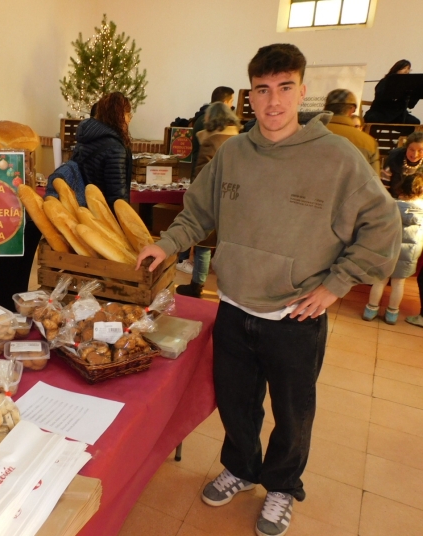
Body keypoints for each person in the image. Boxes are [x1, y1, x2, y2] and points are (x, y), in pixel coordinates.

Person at [136, 43, 401, 536]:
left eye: (284, 88)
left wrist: (336, 285)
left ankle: (282, 485)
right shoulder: (234, 153)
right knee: (237, 402)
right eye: (262, 90)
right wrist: (167, 243)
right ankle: (240, 467)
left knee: (292, 411)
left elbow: (383, 225)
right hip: (234, 307)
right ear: (249, 97)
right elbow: (198, 211)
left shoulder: (337, 158)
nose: (273, 101)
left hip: (296, 315)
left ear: (301, 91)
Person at [177, 102, 241, 298]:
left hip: (213, 203)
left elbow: (200, 177)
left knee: (204, 247)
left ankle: (196, 286)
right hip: (236, 203)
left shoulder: (211, 141)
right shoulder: (240, 140)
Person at [363, 173, 423, 324]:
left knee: (379, 281)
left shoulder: (391, 205)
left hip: (386, 251)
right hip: (408, 255)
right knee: (398, 284)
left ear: (401, 188)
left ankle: (371, 310)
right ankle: (392, 314)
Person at [69, 92, 132, 209]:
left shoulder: (86, 137)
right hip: (102, 215)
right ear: (119, 116)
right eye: (128, 115)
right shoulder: (115, 148)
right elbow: (117, 196)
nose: (129, 120)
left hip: (82, 209)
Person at [324, 89, 380, 174]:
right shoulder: (369, 143)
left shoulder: (309, 134)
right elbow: (374, 182)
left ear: (325, 108)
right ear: (352, 110)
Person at [364, 59, 420, 125]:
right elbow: (380, 96)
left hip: (398, 114)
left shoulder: (408, 85)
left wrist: (417, 92)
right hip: (381, 112)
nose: (406, 71)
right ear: (396, 69)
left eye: (408, 69)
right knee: (372, 118)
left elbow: (411, 105)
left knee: (414, 122)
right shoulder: (386, 81)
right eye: (404, 68)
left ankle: (402, 136)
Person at [382, 131, 423, 197]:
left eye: (420, 150)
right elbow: (384, 186)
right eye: (411, 150)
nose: (415, 155)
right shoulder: (393, 158)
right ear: (406, 147)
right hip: (395, 199)